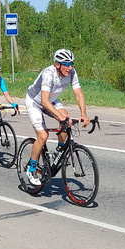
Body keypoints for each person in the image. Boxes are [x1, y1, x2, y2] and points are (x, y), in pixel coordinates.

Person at [23, 49, 89, 183]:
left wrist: (83, 114)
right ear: (57, 64)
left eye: (71, 64)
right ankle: (32, 167)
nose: (70, 67)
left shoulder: (72, 72)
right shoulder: (49, 74)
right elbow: (44, 101)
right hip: (35, 101)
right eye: (66, 64)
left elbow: (79, 94)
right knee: (43, 136)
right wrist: (60, 116)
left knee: (67, 120)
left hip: (51, 100)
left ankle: (59, 150)